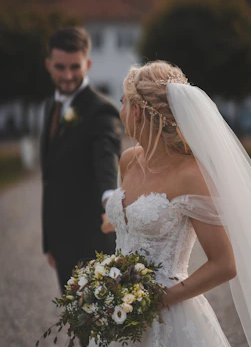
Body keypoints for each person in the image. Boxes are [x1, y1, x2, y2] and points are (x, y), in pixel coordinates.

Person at [97, 60, 251, 346]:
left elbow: (224, 265)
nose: (120, 111)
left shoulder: (192, 176)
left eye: (123, 102)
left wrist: (157, 300)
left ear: (138, 111)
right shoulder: (128, 161)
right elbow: (129, 223)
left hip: (170, 316)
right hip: (116, 312)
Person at [40, 27, 122, 293]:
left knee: (99, 329)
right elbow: (50, 177)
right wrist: (49, 242)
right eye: (60, 67)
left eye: (75, 67)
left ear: (87, 64)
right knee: (77, 325)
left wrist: (109, 197)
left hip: (92, 242)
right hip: (61, 243)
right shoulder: (50, 107)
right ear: (49, 65)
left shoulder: (101, 110)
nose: (67, 75)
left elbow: (105, 156)